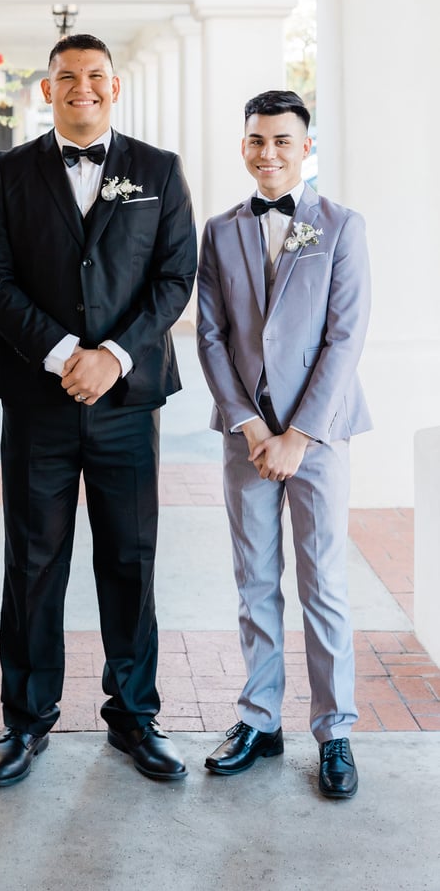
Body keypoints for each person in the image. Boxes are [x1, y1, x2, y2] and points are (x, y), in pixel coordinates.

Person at [0, 34, 197, 787]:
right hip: (40, 398)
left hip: (129, 400)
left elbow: (174, 276)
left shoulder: (159, 170)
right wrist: (66, 352)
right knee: (32, 562)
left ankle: (134, 718)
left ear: (115, 86)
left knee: (130, 559)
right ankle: (26, 721)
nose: (82, 88)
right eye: (68, 77)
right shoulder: (5, 173)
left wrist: (114, 356)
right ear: (47, 88)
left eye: (95, 76)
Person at [196, 89, 371, 799]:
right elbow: (209, 336)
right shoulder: (220, 229)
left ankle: (335, 731)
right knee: (255, 580)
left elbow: (346, 335)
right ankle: (260, 719)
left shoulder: (341, 226)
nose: (268, 152)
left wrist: (297, 434)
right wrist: (250, 424)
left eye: (282, 141)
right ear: (243, 146)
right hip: (247, 438)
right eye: (257, 140)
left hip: (318, 436)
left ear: (305, 148)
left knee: (323, 583)